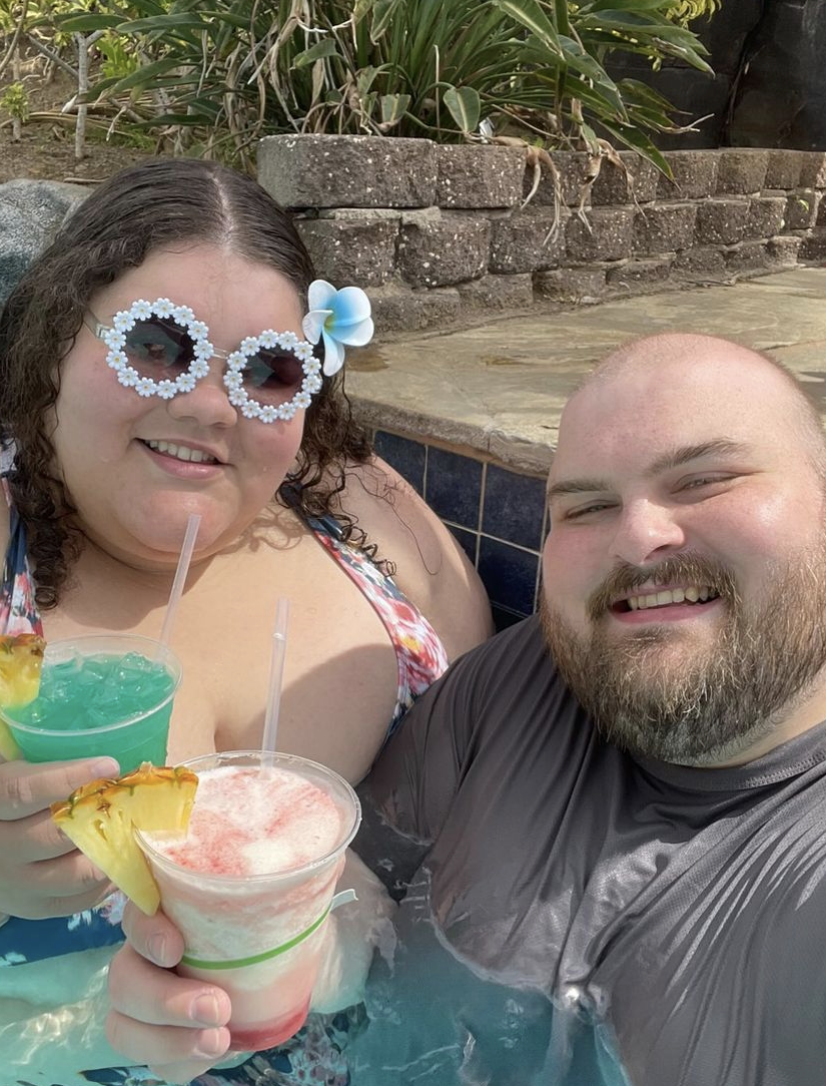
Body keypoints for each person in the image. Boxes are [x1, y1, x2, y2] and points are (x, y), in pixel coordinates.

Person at [117, 331, 826, 1086]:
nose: (638, 537)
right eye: (585, 507)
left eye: (707, 480)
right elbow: (365, 898)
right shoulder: (516, 684)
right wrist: (264, 959)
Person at [0, 157, 492, 1086]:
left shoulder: (373, 516)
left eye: (268, 371)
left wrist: (349, 930)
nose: (207, 407)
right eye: (157, 345)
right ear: (56, 340)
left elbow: (512, 770)